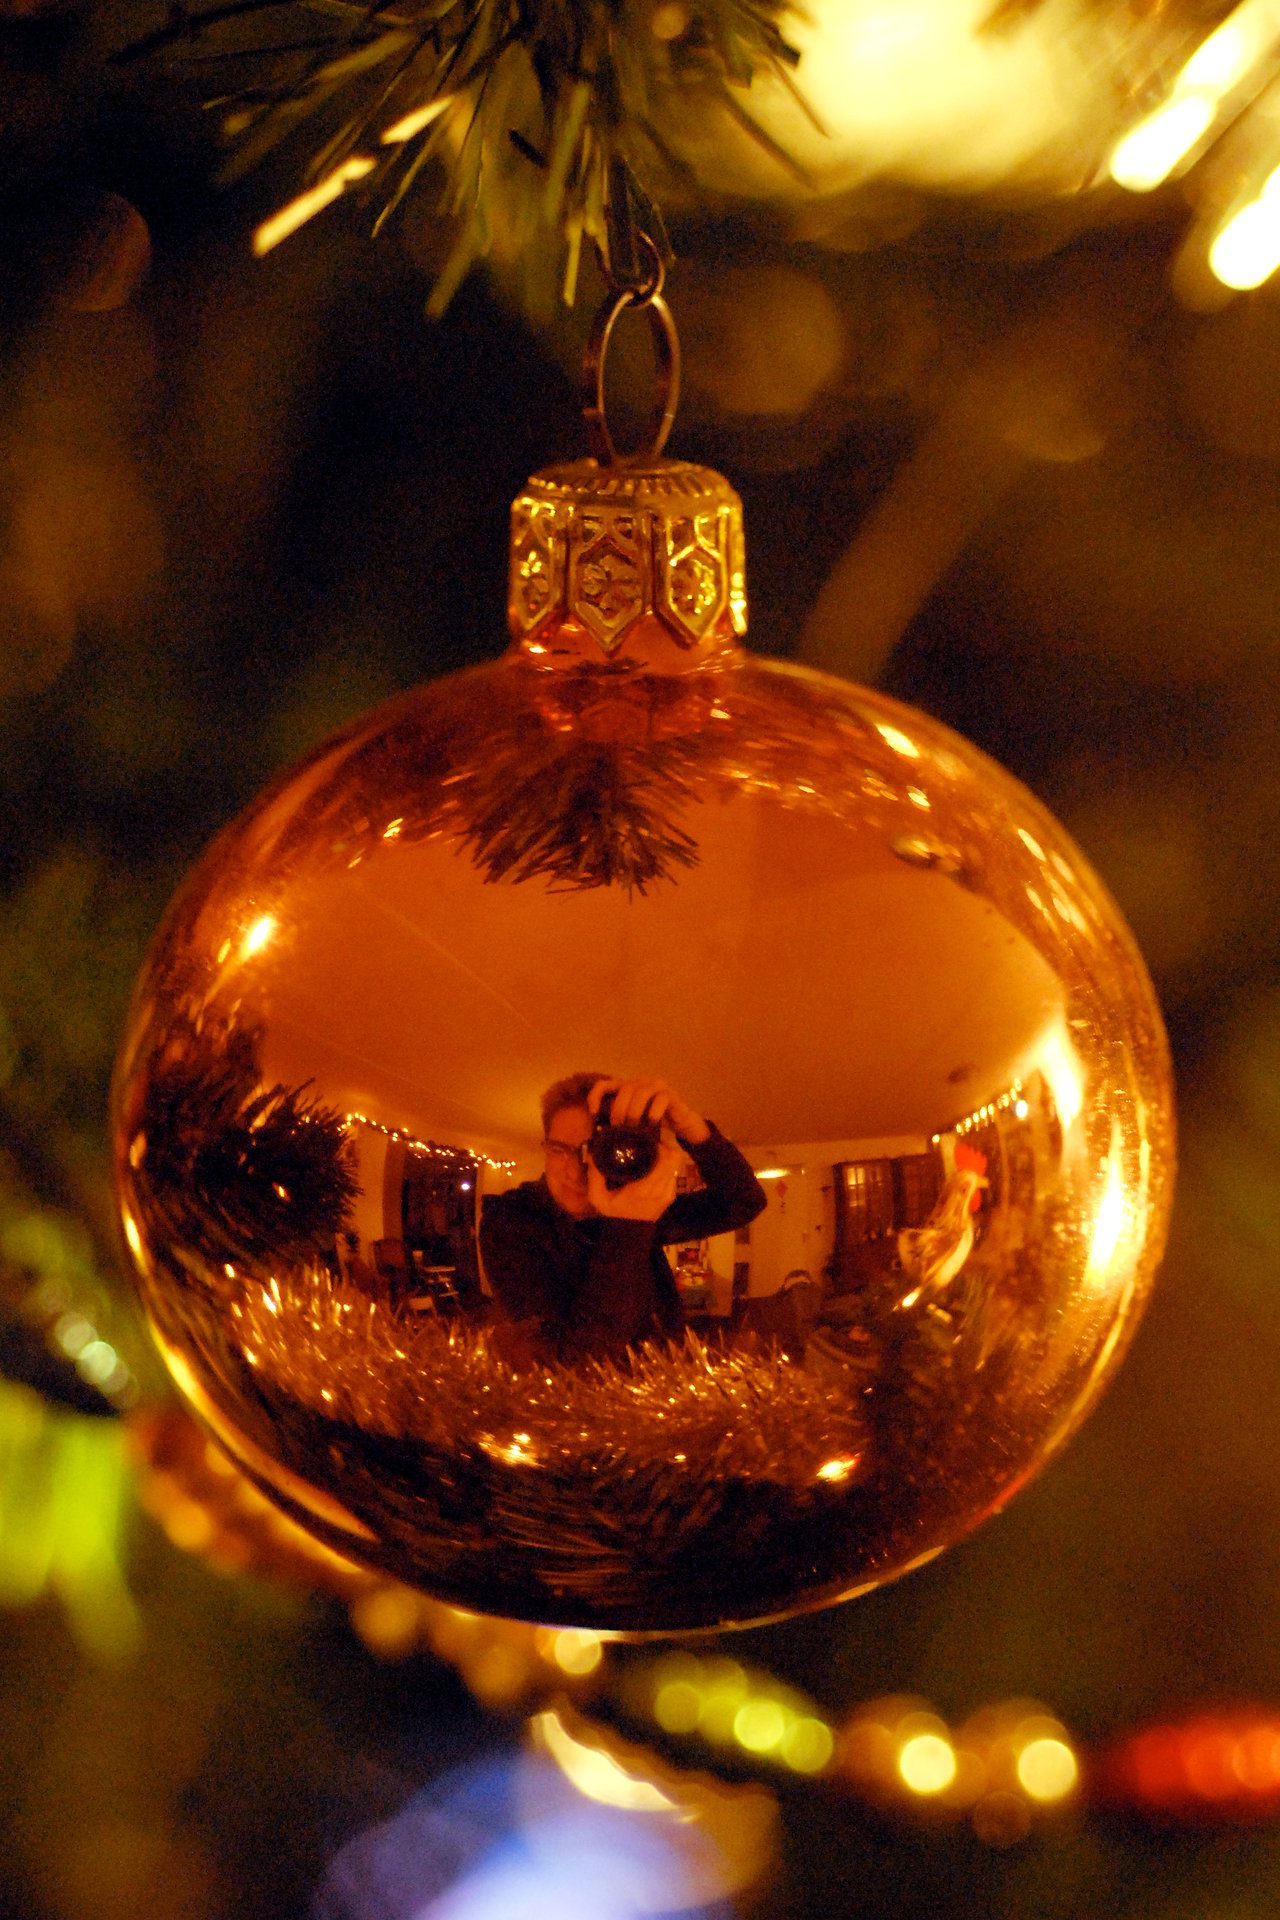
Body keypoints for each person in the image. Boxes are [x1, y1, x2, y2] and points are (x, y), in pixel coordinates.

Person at [479, 1072, 767, 1363]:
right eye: (560, 1150)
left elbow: (744, 1201)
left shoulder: (636, 1204)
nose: (577, 1171)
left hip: (667, 1384)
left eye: (596, 1152)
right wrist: (629, 1229)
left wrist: (693, 1129)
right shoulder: (510, 1218)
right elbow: (572, 1365)